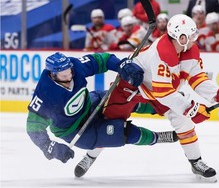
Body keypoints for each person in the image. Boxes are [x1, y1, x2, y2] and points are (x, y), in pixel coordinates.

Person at [99, 14, 219, 183]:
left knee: (183, 121)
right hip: (131, 88)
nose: (194, 39)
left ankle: (196, 161)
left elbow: (198, 79)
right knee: (110, 123)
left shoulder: (190, 50)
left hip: (159, 90)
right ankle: (91, 154)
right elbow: (163, 93)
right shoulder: (161, 53)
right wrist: (193, 109)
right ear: (181, 38)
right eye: (191, 36)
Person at [26, 52, 178, 177]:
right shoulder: (45, 94)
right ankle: (157, 138)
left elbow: (101, 60)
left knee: (127, 99)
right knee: (123, 132)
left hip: (90, 104)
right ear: (53, 75)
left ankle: (167, 106)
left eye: (69, 71)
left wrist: (121, 65)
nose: (69, 76)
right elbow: (33, 127)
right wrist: (49, 147)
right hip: (75, 131)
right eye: (63, 75)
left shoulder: (74, 67)